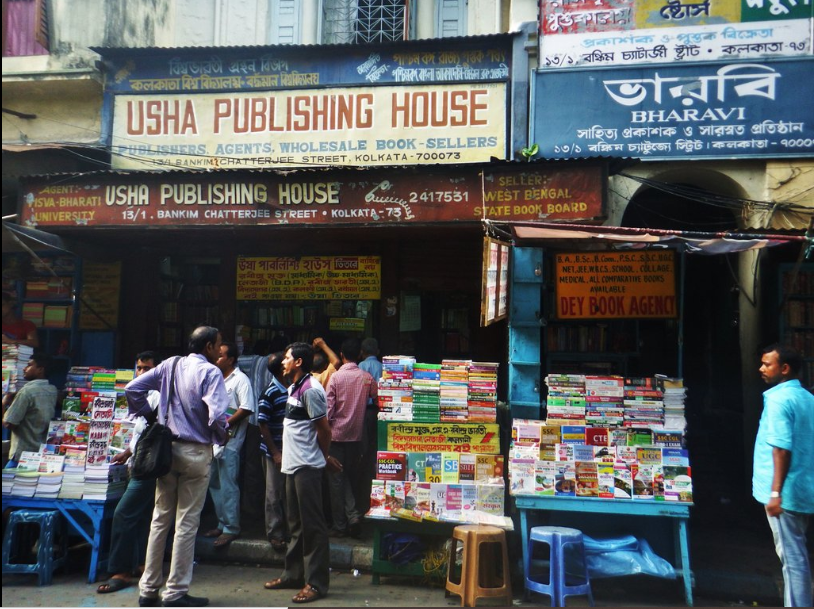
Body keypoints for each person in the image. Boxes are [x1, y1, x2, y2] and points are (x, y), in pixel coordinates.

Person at [125, 326, 230, 608]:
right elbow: (217, 416)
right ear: (208, 346)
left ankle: (148, 590)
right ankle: (175, 592)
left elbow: (132, 388)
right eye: (219, 345)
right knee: (186, 524)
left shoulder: (170, 365)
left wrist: (149, 416)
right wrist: (222, 435)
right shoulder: (210, 372)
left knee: (160, 519)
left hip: (166, 451)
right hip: (195, 452)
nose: (222, 350)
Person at [263, 342, 342, 604]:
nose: (282, 362)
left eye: (287, 358)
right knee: (295, 524)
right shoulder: (293, 388)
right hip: (292, 465)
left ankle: (316, 583)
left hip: (307, 466)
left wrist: (323, 457)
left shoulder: (311, 389)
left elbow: (325, 430)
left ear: (298, 362)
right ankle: (293, 575)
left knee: (313, 527)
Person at [753, 343, 813, 608]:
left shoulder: (777, 399)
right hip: (803, 489)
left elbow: (781, 448)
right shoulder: (808, 399)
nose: (761, 368)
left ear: (784, 369)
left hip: (785, 494)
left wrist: (775, 493)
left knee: (793, 559)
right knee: (797, 552)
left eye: (768, 364)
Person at [97, 351, 161, 594]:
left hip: (148, 467)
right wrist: (127, 452)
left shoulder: (154, 396)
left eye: (147, 368)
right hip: (140, 462)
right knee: (144, 516)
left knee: (124, 513)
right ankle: (144, 564)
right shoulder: (143, 395)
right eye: (139, 368)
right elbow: (141, 432)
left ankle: (120, 571)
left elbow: (152, 430)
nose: (142, 373)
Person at [204, 341, 255, 548]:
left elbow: (247, 407)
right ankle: (221, 522)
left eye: (222, 355)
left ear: (231, 359)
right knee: (214, 483)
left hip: (231, 441)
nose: (217, 358)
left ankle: (231, 527)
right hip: (213, 439)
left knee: (228, 484)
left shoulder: (240, 379)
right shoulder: (215, 378)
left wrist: (225, 423)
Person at [325, 338, 377, 538]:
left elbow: (329, 411)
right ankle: (353, 515)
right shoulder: (366, 378)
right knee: (348, 477)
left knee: (336, 481)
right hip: (357, 438)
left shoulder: (336, 378)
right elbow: (378, 397)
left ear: (341, 355)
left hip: (336, 437)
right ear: (360, 355)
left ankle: (340, 525)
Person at [257, 351, 288, 551]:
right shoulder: (270, 392)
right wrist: (275, 452)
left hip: (290, 450)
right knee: (273, 493)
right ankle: (275, 533)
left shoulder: (292, 389)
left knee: (285, 492)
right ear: (282, 370)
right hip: (274, 451)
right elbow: (262, 423)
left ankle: (287, 530)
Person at [2, 353, 56, 467]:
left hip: (21, 456)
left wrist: (4, 403)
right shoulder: (52, 390)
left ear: (40, 370)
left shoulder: (26, 392)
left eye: (29, 365)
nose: (24, 368)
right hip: (41, 454)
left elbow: (8, 423)